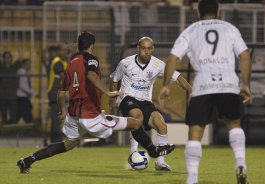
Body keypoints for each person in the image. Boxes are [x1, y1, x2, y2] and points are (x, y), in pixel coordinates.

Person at [17, 31, 175, 174]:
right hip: (90, 117)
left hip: (74, 115)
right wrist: (108, 92)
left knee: (68, 144)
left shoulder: (71, 63)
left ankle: (28, 160)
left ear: (77, 45)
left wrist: (63, 111)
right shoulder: (91, 59)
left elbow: (61, 92)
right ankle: (154, 152)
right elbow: (91, 75)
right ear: (92, 46)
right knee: (135, 122)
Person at [158, 0, 252, 183]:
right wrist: (246, 84)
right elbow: (245, 55)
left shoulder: (191, 30)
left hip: (203, 83)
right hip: (228, 82)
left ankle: (192, 178)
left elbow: (173, 57)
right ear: (219, 11)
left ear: (198, 12)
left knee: (196, 130)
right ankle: (240, 163)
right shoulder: (229, 28)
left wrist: (166, 85)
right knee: (234, 124)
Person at [110, 37, 192, 171]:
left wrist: (191, 91)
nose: (146, 52)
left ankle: (160, 163)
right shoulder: (125, 63)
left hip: (145, 101)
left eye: (149, 48)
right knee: (137, 116)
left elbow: (178, 78)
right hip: (127, 98)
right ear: (138, 48)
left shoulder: (158, 65)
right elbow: (114, 79)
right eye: (143, 48)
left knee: (161, 124)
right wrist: (112, 99)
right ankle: (133, 153)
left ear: (152, 49)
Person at [47, 43, 69, 143]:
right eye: (63, 50)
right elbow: (63, 77)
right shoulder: (57, 62)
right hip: (55, 94)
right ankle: (56, 140)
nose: (65, 52)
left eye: (66, 50)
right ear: (58, 51)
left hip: (60, 94)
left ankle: (55, 139)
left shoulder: (63, 62)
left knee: (58, 117)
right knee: (57, 118)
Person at [0, 51, 21, 124]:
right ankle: (5, 133)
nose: (7, 59)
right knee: (4, 115)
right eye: (5, 57)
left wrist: (19, 51)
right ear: (3, 58)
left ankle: (13, 132)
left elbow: (20, 60)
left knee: (13, 115)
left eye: (8, 57)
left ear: (11, 58)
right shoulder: (1, 67)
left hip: (12, 96)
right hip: (2, 96)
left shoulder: (14, 67)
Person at [16, 58, 38, 123]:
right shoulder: (21, 72)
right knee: (28, 116)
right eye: (27, 64)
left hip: (22, 98)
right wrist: (34, 94)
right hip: (22, 98)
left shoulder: (23, 72)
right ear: (23, 64)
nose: (28, 66)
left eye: (29, 64)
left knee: (18, 116)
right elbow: (23, 86)